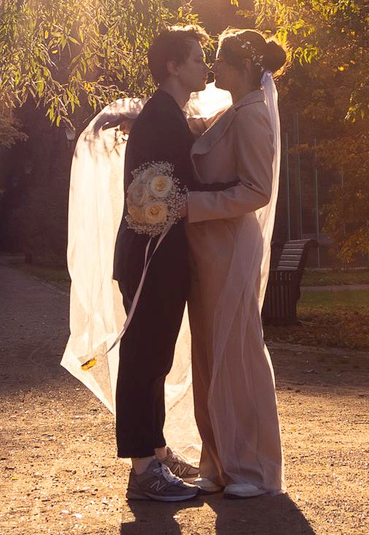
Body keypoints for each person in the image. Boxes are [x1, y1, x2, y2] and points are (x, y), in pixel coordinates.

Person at [182, 28, 289, 496]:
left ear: (245, 67)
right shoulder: (233, 111)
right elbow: (204, 140)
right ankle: (219, 461)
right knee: (208, 350)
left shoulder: (253, 116)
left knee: (237, 350)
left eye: (221, 61)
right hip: (208, 248)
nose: (213, 69)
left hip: (230, 245)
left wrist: (191, 206)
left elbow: (257, 190)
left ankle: (254, 469)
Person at [110, 26, 215, 502]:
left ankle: (155, 450)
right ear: (173, 66)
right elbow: (184, 185)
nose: (204, 67)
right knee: (143, 358)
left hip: (160, 250)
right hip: (150, 254)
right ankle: (142, 471)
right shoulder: (161, 117)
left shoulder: (167, 114)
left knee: (156, 357)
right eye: (196, 59)